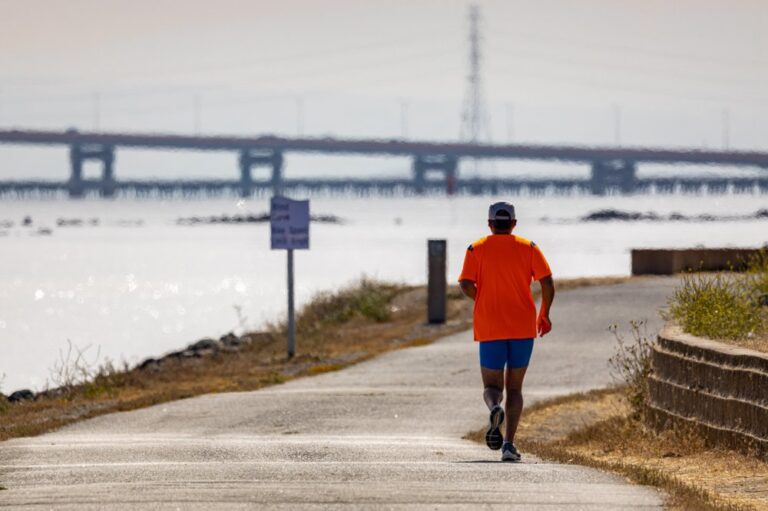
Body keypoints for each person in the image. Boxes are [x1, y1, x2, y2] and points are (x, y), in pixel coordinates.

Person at [458, 201, 555, 462]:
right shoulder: (529, 247)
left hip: (490, 325)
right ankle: (509, 446)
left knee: (492, 385)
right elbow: (547, 281)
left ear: (490, 224)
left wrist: (482, 298)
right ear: (513, 223)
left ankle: (494, 407)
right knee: (515, 388)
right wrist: (544, 312)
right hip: (522, 326)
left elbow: (465, 284)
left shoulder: (475, 248)